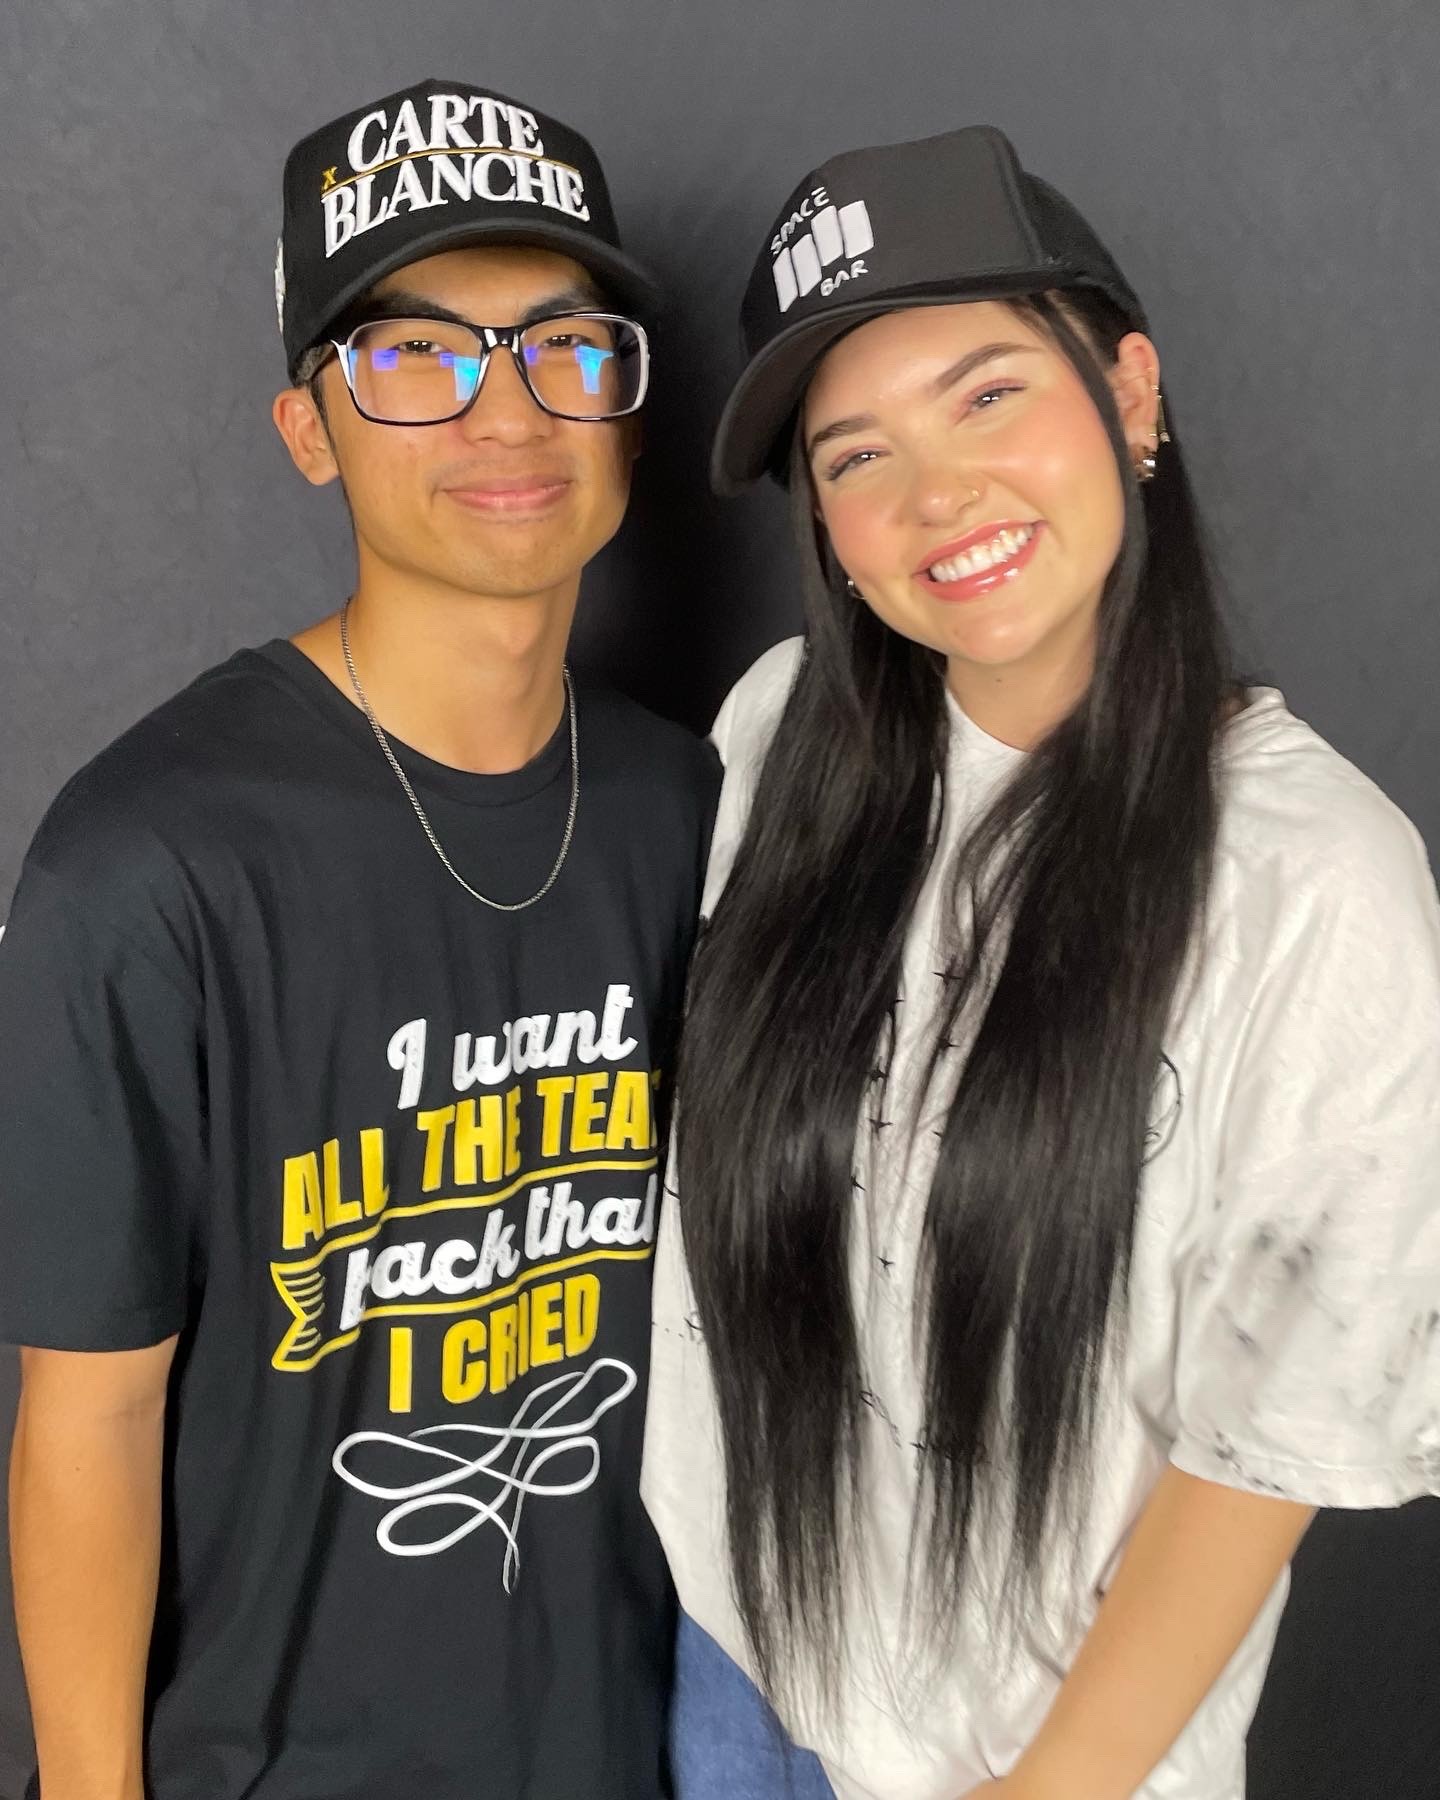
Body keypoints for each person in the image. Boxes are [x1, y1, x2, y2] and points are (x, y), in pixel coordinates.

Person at [643, 125, 1440, 1800]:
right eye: (857, 455)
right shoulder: (778, 735)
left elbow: (1268, 1436)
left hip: (1030, 1758)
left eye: (990, 394)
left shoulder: (1313, 882)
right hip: (727, 1681)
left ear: (1130, 395)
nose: (936, 496)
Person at [0, 75, 717, 1800]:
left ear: (627, 409)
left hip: (630, 1753)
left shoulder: (696, 807)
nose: (505, 413)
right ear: (309, 428)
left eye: (565, 348)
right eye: (413, 356)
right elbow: (89, 1414)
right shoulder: (145, 859)